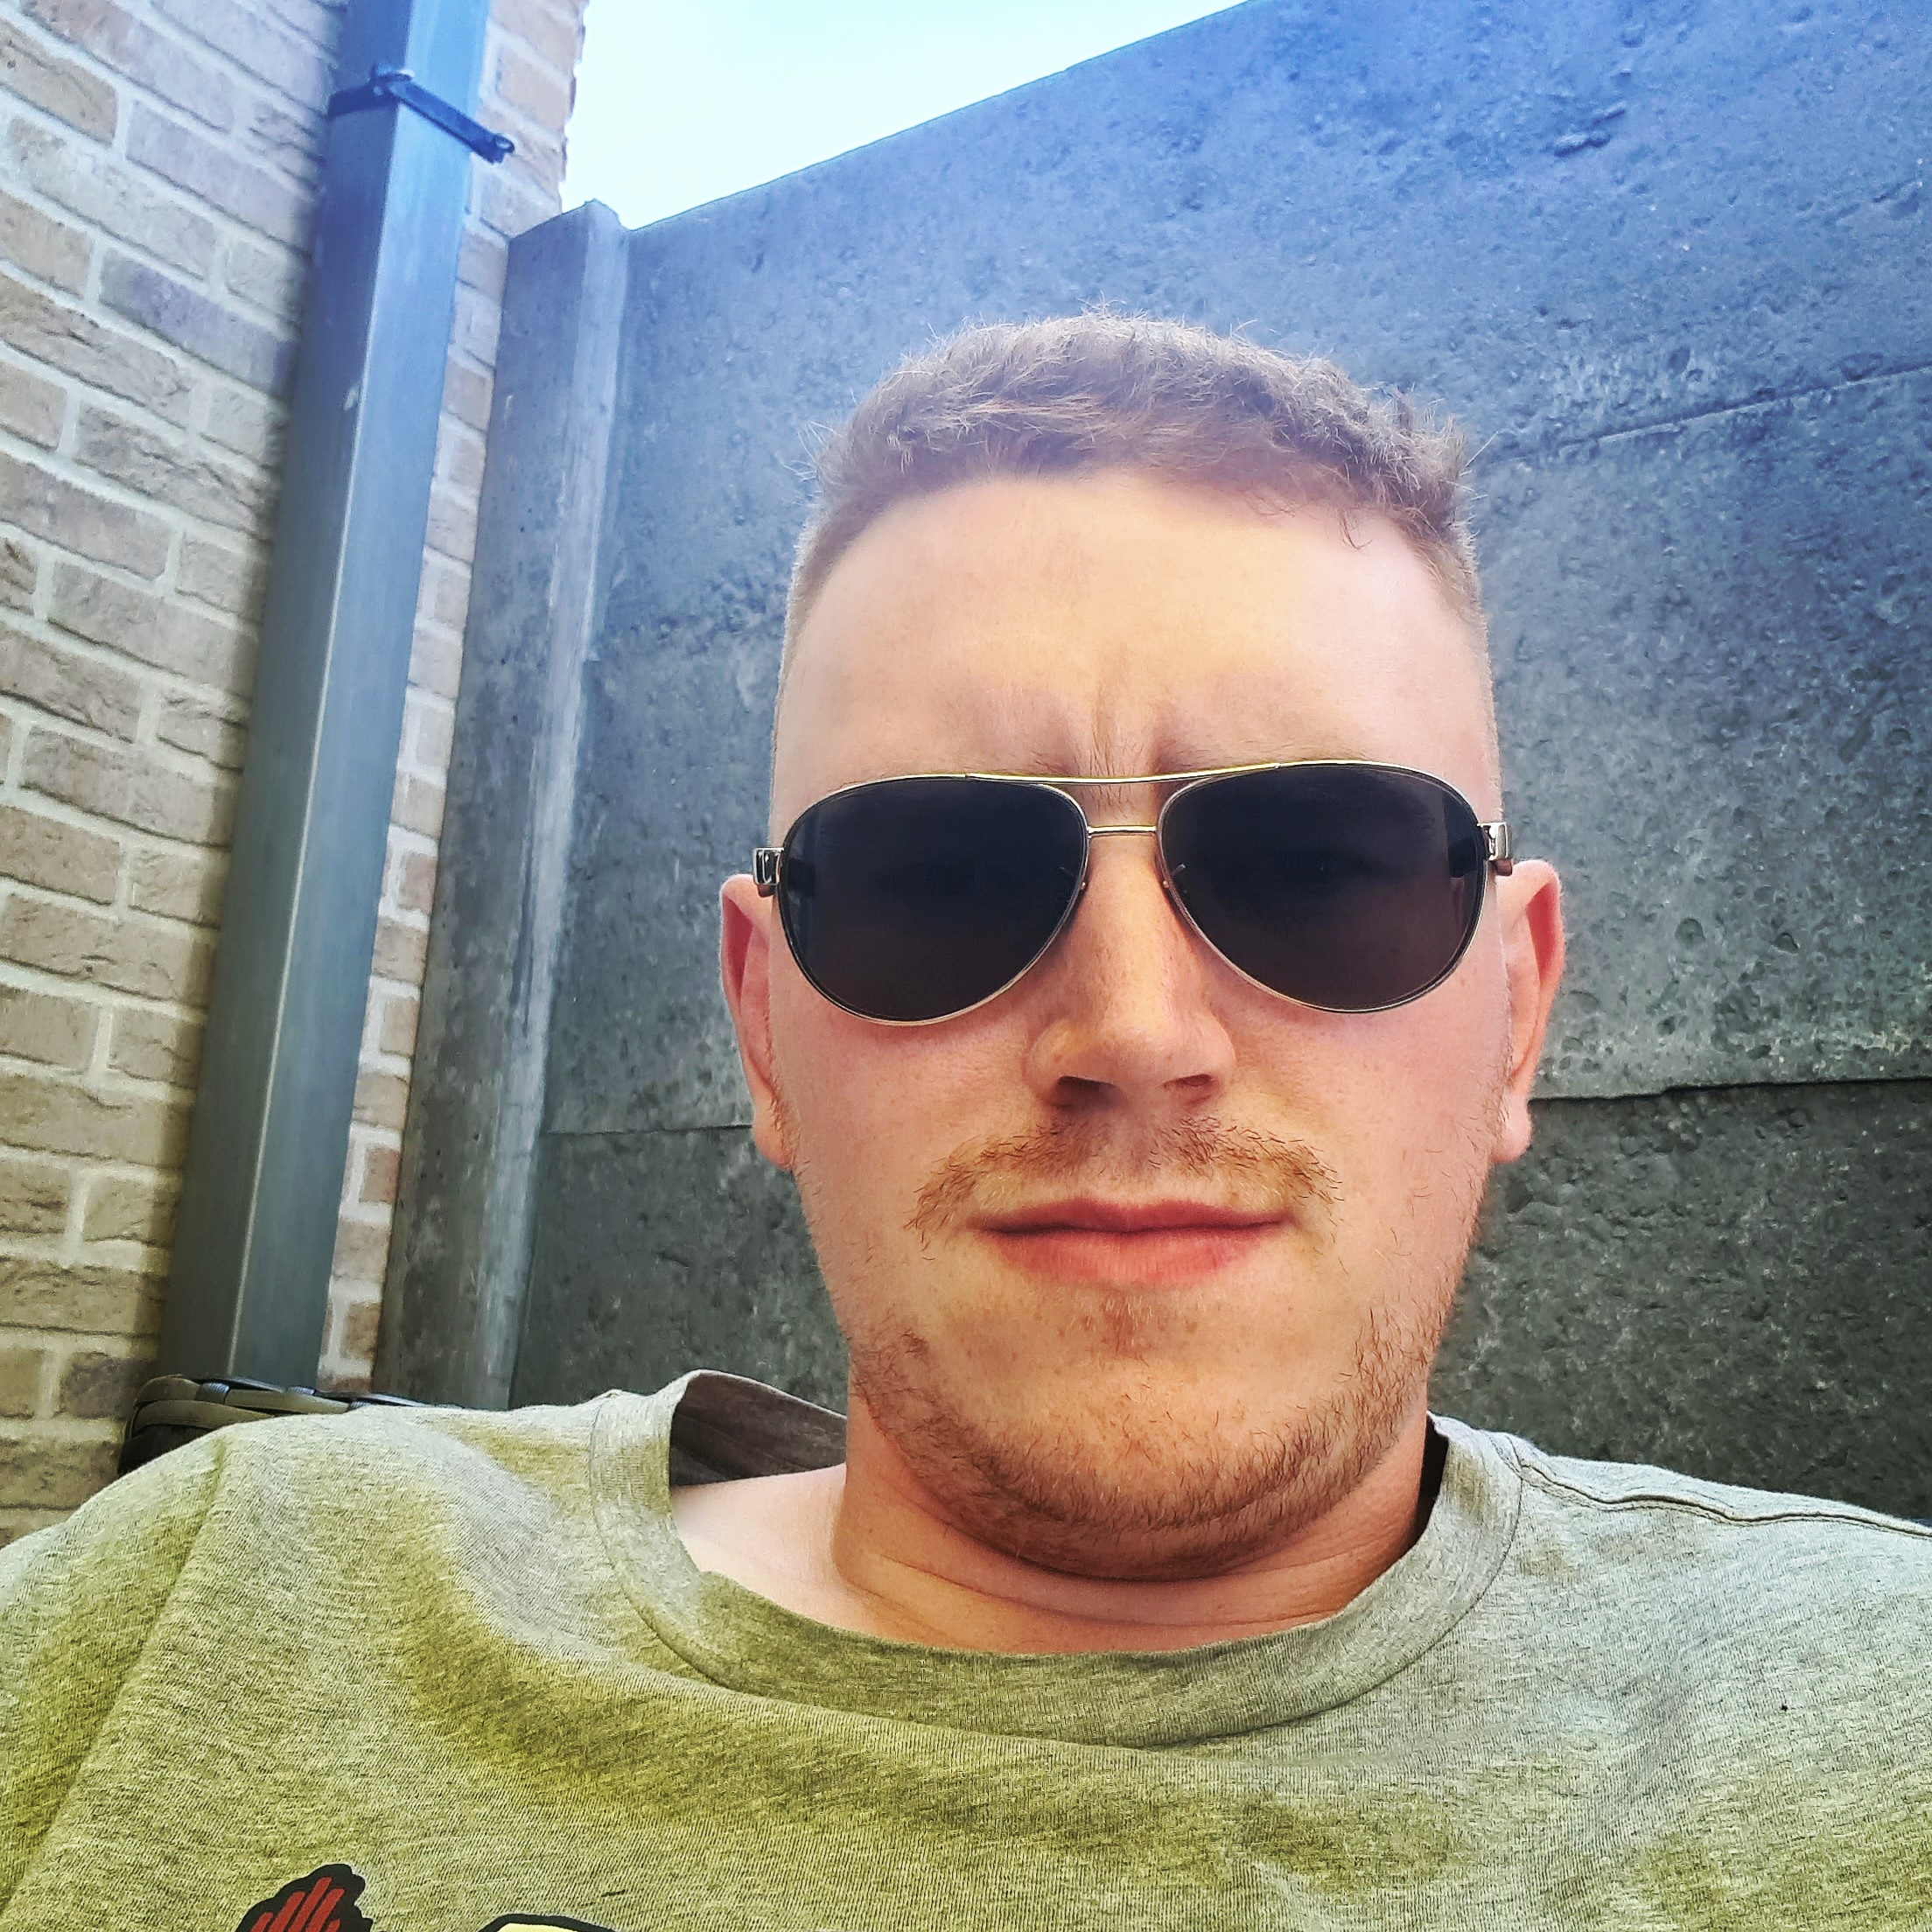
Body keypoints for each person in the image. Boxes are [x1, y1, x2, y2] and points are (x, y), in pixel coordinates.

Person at [3, 316, 1926, 1928]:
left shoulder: (1870, 1725)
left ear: (1515, 1010)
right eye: (934, 875)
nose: (1134, 1031)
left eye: (1319, 865)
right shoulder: (211, 1587)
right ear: (763, 1025)